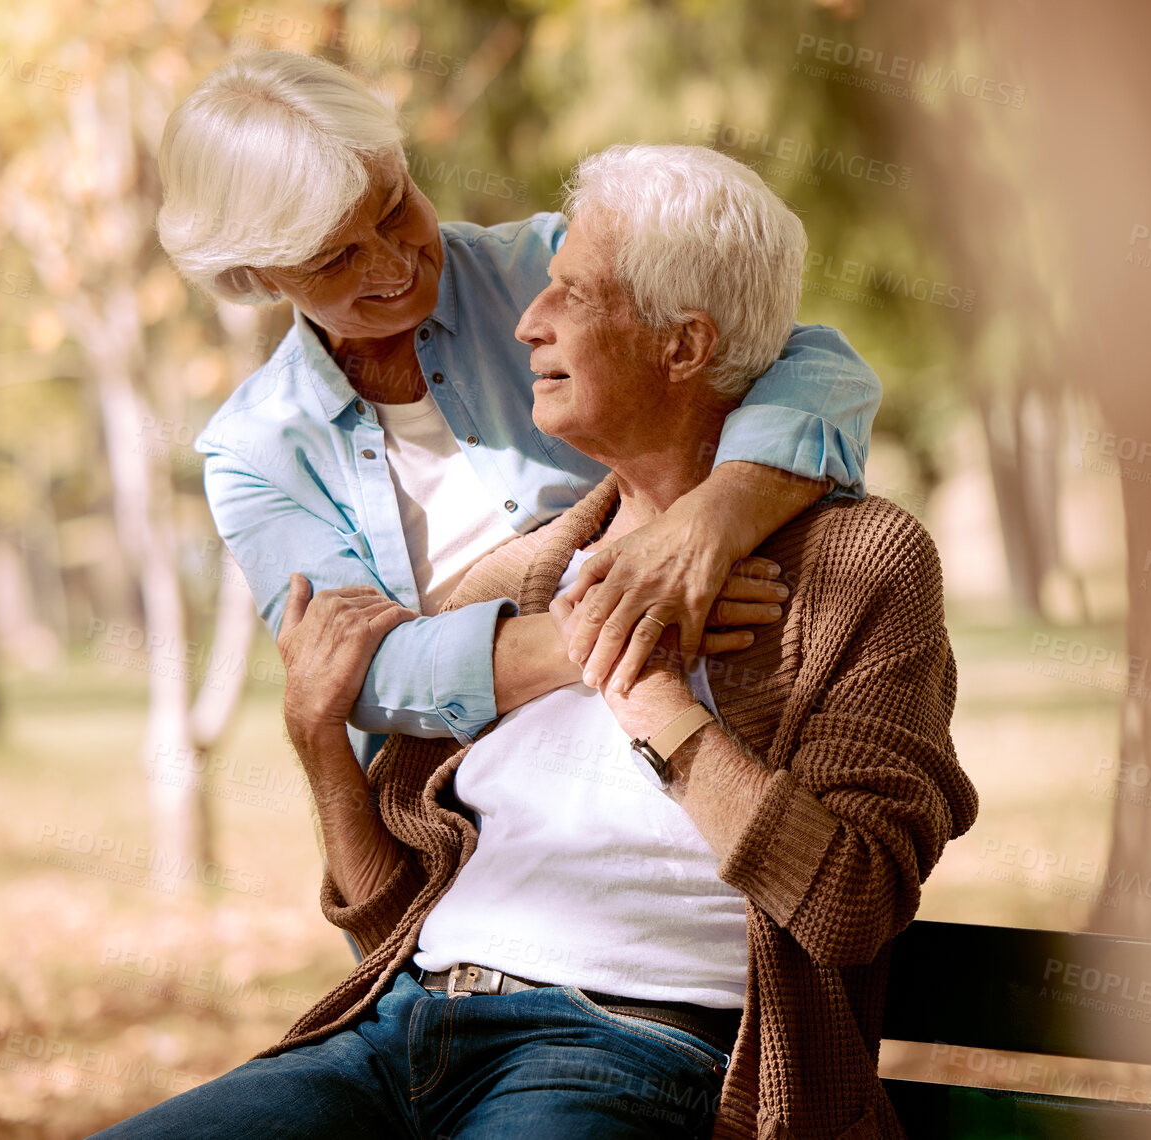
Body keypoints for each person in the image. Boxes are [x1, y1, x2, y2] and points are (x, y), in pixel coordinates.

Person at [96, 142, 977, 1140]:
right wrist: (322, 747)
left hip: (637, 1051)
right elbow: (393, 926)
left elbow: (854, 903)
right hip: (401, 1032)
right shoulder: (518, 578)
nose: (523, 323)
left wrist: (652, 701)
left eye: (567, 294)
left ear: (683, 346)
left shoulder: (860, 565)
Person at [156, 51, 884, 771]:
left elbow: (817, 365)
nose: (395, 264)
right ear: (255, 274)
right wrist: (614, 620)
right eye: (336, 260)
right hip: (468, 790)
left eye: (396, 206)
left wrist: (709, 524)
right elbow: (362, 677)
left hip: (702, 714)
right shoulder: (254, 454)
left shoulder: (550, 265)